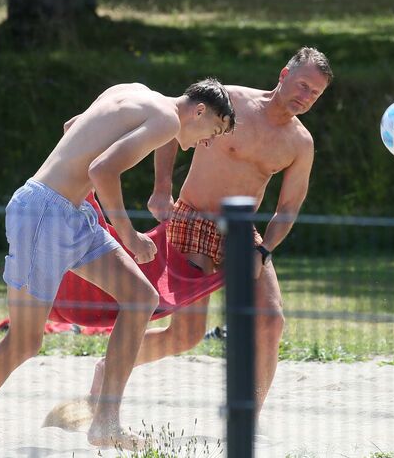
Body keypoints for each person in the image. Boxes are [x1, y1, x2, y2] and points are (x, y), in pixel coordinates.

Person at [0, 80, 235, 451]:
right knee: (25, 341)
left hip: (72, 213)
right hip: (44, 213)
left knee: (141, 297)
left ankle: (106, 423)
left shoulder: (134, 91)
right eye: (214, 131)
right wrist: (129, 235)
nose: (208, 142)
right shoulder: (167, 120)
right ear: (200, 111)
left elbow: (72, 126)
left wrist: (78, 190)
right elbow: (103, 169)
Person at [87, 47, 332, 419]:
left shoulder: (300, 143)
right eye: (302, 85)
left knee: (271, 320)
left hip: (241, 233)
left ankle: (245, 418)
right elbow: (172, 125)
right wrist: (162, 188)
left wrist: (264, 250)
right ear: (284, 75)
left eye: (315, 93)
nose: (306, 96)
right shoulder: (231, 101)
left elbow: (288, 208)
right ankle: (108, 369)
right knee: (184, 335)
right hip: (192, 219)